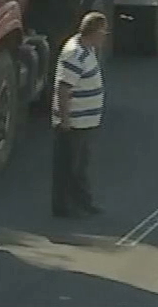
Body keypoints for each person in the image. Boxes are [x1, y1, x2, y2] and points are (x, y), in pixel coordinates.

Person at [53, 11, 108, 218]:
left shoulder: (87, 50)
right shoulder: (75, 54)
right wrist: (65, 120)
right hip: (74, 122)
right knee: (69, 167)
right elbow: (63, 88)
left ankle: (83, 202)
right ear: (93, 32)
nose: (105, 36)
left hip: (86, 121)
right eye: (103, 32)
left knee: (80, 165)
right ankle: (64, 207)